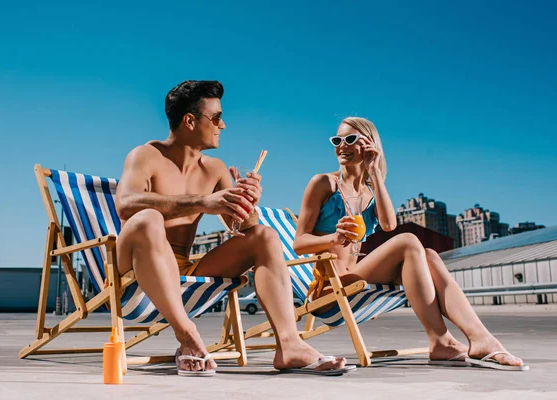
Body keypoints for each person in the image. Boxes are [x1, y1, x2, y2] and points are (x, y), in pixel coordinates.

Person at [114, 80, 348, 376]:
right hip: (134, 268)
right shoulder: (146, 155)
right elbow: (125, 203)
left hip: (185, 269)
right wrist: (204, 202)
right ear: (189, 120)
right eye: (215, 118)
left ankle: (290, 346)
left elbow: (246, 227)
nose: (222, 125)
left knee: (265, 236)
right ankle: (187, 336)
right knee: (148, 218)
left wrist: (245, 199)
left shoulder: (214, 169)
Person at [293, 116, 528, 371]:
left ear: (369, 145)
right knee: (408, 242)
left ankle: (480, 339)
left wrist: (374, 174)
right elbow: (299, 243)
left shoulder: (370, 193)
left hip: (356, 279)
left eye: (350, 139)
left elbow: (388, 224)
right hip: (330, 291)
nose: (341, 145)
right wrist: (334, 238)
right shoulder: (324, 183)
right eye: (337, 140)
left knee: (429, 255)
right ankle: (440, 339)